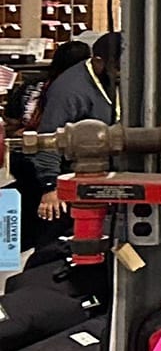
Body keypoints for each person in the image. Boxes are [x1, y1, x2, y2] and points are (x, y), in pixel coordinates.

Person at [30, 36, 113, 228]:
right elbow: (49, 137)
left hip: (107, 176)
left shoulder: (112, 81)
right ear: (98, 61)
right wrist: (50, 186)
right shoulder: (69, 91)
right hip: (75, 176)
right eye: (116, 66)